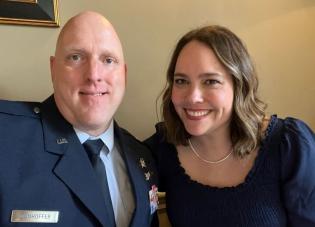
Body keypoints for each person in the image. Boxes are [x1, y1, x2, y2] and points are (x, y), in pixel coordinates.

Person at [145, 25, 315, 226]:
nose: (192, 97)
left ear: (239, 86)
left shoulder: (289, 146)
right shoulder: (162, 148)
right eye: (181, 81)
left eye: (210, 81)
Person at [0, 11, 158, 227]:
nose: (94, 74)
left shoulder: (142, 157)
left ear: (124, 74)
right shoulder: (6, 137)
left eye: (108, 60)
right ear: (53, 69)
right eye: (76, 57)